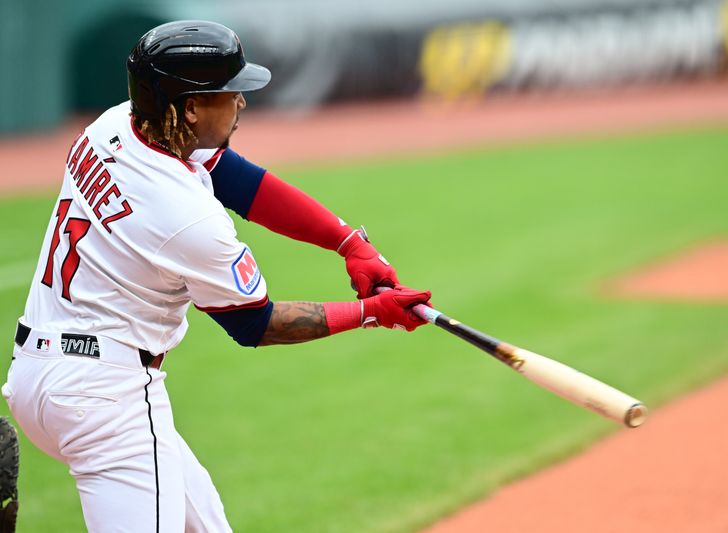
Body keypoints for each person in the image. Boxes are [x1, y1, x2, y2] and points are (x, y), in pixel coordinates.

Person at [3, 20, 431, 532]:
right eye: (230, 92)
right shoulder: (188, 218)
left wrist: (349, 243)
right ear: (189, 108)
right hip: (106, 402)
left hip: (36, 374)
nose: (241, 102)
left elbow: (239, 180)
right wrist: (371, 314)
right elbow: (257, 324)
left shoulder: (115, 126)